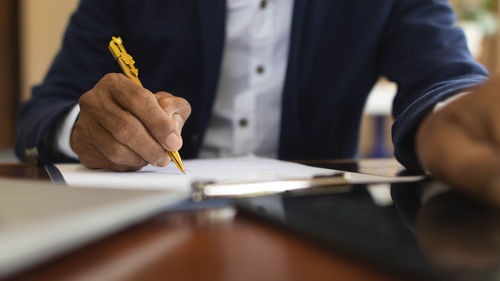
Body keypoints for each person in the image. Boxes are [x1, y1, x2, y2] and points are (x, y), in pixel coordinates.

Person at [15, 0, 500, 205]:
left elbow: (445, 80)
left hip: (323, 233)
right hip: (149, 230)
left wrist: (454, 122)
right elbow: (41, 113)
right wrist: (86, 129)